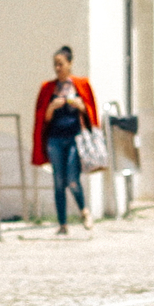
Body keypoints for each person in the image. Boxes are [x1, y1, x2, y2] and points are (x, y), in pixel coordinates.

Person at [27, 47, 100, 234]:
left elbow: (90, 111)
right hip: (55, 139)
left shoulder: (81, 84)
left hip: (75, 138)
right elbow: (42, 117)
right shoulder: (48, 88)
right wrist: (52, 107)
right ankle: (62, 224)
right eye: (55, 65)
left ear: (70, 63)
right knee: (58, 181)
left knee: (72, 179)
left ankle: (84, 210)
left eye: (61, 64)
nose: (58, 68)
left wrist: (79, 105)